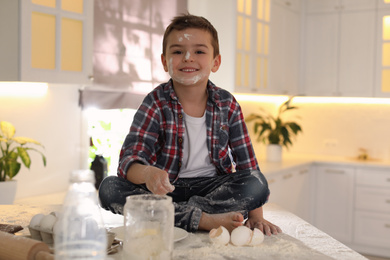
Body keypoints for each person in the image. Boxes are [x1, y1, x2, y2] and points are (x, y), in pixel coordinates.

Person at [99, 13, 281, 236]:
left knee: (257, 183)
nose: (188, 57)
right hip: (165, 192)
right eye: (177, 51)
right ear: (165, 61)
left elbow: (247, 164)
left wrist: (256, 218)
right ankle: (203, 220)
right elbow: (129, 161)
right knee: (109, 188)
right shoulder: (155, 102)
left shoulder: (228, 104)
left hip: (213, 190)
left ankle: (175, 217)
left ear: (216, 62)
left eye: (199, 51)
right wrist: (148, 174)